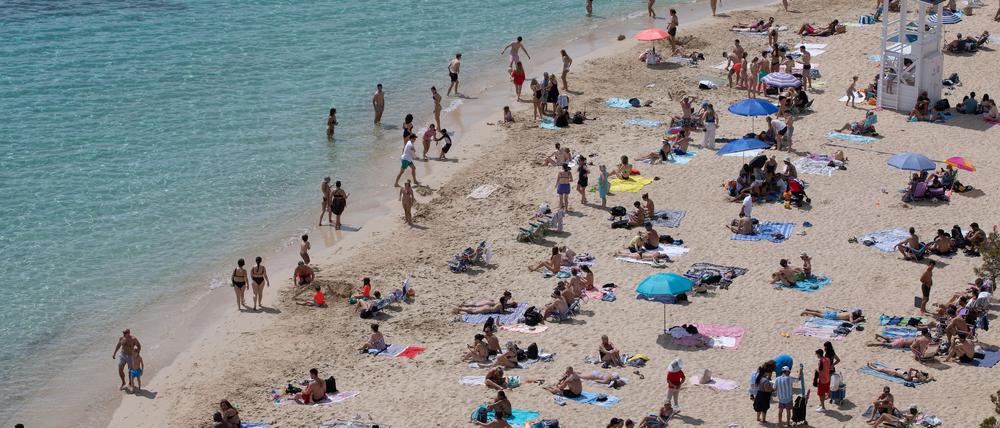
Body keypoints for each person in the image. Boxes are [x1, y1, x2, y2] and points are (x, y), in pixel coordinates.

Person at [864, 362, 934, 383]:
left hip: (895, 373)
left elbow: (910, 369)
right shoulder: (912, 377)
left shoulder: (908, 378)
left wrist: (915, 370)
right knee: (884, 369)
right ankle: (874, 366)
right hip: (897, 370)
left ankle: (872, 367)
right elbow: (929, 376)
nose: (916, 375)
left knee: (883, 369)